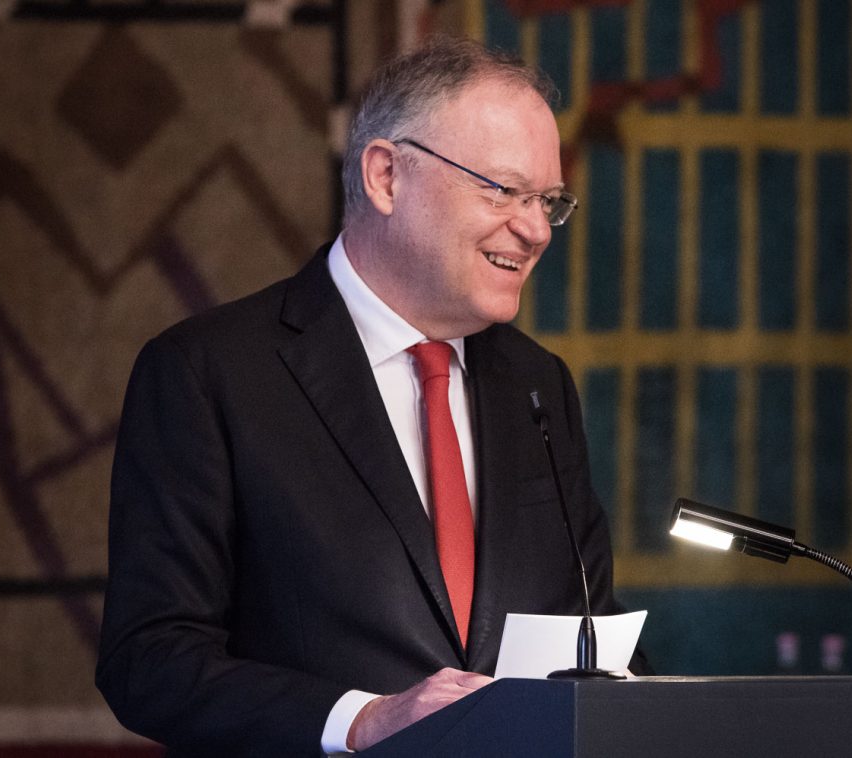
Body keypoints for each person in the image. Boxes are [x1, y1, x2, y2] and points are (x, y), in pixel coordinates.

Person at [96, 36, 641, 756]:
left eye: (548, 200)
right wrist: (360, 720)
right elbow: (149, 661)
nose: (536, 229)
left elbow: (590, 638)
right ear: (386, 176)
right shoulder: (209, 373)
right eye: (503, 190)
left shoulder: (539, 385)